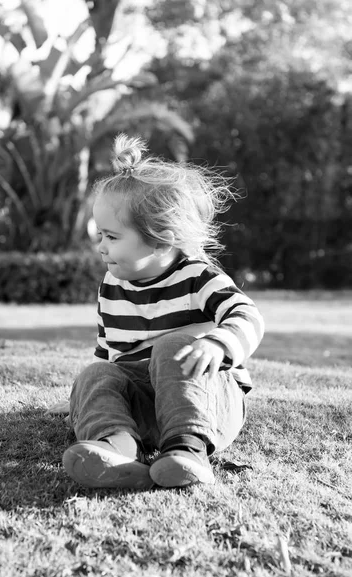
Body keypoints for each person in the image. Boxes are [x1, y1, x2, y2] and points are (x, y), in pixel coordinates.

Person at [60, 133, 264, 490]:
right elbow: (107, 353)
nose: (101, 247)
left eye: (111, 237)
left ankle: (187, 451)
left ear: (161, 238)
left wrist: (218, 345)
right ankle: (117, 448)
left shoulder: (197, 277)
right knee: (95, 373)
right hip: (145, 409)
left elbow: (247, 315)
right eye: (101, 236)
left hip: (206, 401)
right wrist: (86, 397)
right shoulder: (111, 285)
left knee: (172, 347)